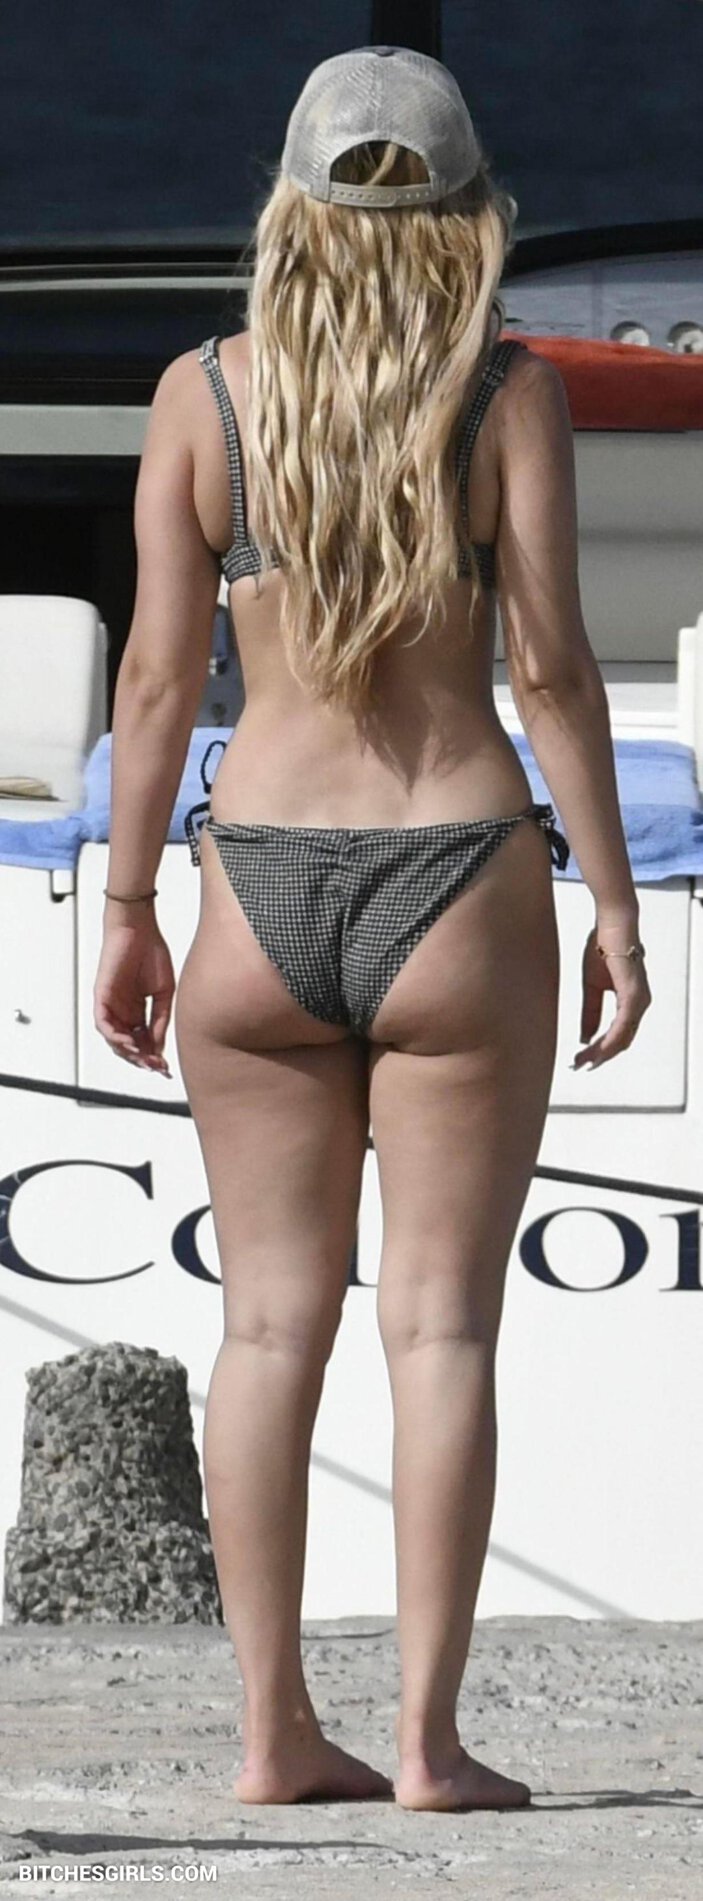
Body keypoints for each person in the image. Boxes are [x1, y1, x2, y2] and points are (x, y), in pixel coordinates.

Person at [94, 46, 651, 1813]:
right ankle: (424, 1742)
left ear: (288, 203)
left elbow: (157, 680)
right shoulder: (507, 394)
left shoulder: (205, 392)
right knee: (443, 1330)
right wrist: (616, 900)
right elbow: (554, 674)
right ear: (476, 213)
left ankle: (272, 1734)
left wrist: (128, 902)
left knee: (266, 1328)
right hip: (453, 871)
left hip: (254, 872)